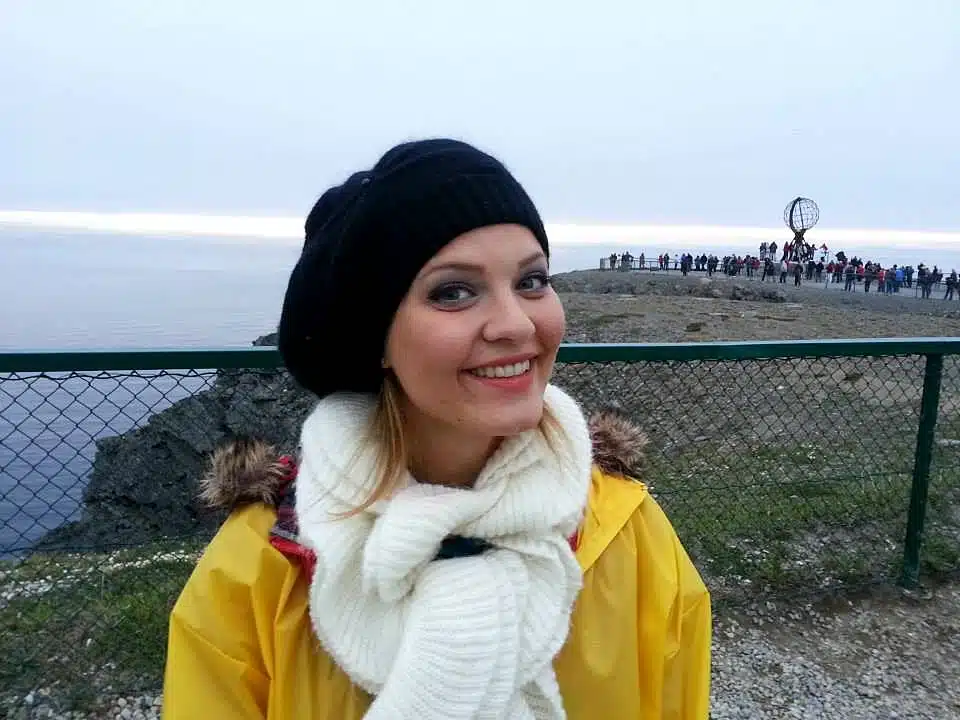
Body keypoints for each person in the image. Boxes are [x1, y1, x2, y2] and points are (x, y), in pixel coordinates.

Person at [162, 139, 711, 719]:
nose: (516, 324)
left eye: (531, 281)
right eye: (454, 291)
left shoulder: (625, 530)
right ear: (373, 340)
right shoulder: (259, 571)